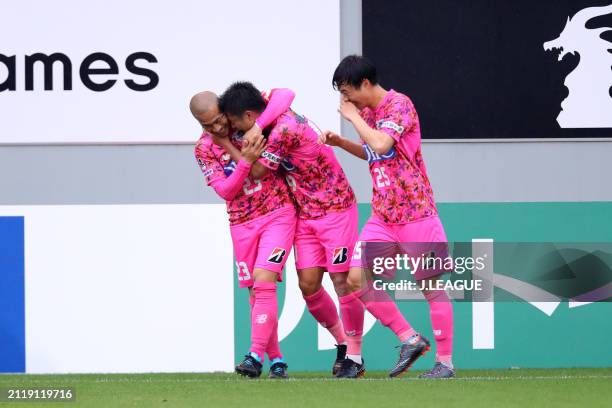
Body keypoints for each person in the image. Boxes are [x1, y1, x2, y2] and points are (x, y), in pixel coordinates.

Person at [319, 55, 455, 379]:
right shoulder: (367, 113)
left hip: (416, 212)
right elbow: (373, 153)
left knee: (431, 287)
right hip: (382, 215)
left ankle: (445, 363)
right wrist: (342, 143)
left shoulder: (399, 104)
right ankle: (409, 338)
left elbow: (382, 143)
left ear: (365, 84)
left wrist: (352, 118)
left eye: (347, 92)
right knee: (355, 279)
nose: (345, 100)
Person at [217, 82, 364, 377]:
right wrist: (257, 127)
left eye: (235, 124)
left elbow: (257, 171)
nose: (234, 130)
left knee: (341, 280)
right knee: (308, 285)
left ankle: (354, 355)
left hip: (334, 206)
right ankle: (341, 343)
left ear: (248, 116)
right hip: (304, 211)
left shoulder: (283, 130)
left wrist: (229, 145)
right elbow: (283, 93)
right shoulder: (270, 110)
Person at [190, 89, 296, 379]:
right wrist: (244, 158)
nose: (218, 127)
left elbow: (285, 94)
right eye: (208, 125)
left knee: (264, 279)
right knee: (255, 291)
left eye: (219, 120)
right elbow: (226, 190)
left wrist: (258, 128)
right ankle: (276, 360)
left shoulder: (244, 119)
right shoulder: (202, 149)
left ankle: (254, 355)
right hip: (241, 223)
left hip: (277, 213)